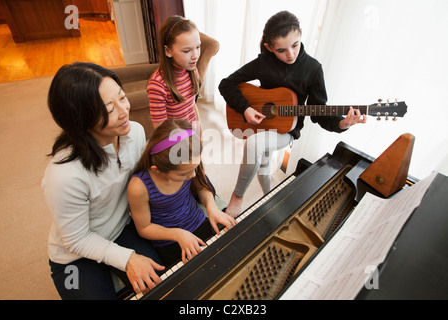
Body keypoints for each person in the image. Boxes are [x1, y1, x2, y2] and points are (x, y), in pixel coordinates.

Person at [219, 11, 367, 217]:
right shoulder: (263, 63)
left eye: (295, 45)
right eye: (281, 50)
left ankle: (237, 197)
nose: (290, 54)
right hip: (260, 122)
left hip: (287, 130)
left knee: (255, 145)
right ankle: (268, 194)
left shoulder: (313, 69)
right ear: (269, 48)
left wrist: (343, 124)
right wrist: (245, 108)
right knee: (262, 159)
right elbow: (226, 84)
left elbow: (319, 112)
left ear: (301, 35)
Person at [42, 62, 164, 300]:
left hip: (121, 229)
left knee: (163, 283)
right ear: (80, 119)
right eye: (109, 109)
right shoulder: (64, 174)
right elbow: (76, 239)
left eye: (122, 97)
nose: (124, 111)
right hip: (74, 256)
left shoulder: (135, 132)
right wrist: (126, 258)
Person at [127, 119, 236, 269]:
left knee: (231, 257)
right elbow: (144, 228)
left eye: (195, 168)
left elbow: (202, 188)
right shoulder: (138, 187)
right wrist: (178, 234)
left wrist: (212, 207)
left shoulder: (189, 162)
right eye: (184, 174)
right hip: (170, 239)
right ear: (157, 169)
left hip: (197, 221)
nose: (192, 175)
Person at [147, 15, 202, 131]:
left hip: (191, 135)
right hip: (175, 142)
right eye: (187, 51)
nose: (195, 56)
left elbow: (192, 105)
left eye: (198, 47)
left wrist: (198, 129)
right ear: (168, 51)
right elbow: (161, 130)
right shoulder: (157, 86)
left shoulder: (192, 70)